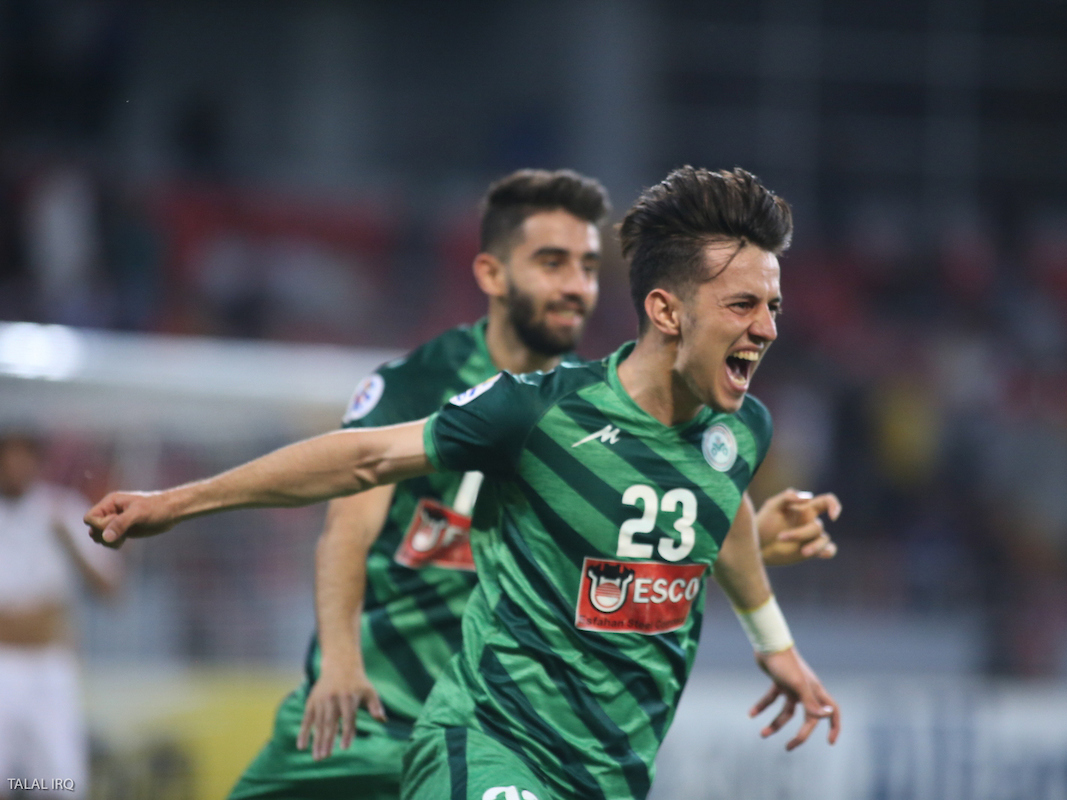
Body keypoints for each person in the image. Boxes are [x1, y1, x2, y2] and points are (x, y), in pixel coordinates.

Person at [85, 166, 842, 800]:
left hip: (609, 777)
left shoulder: (741, 432)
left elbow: (726, 516)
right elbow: (362, 460)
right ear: (665, 310)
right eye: (742, 304)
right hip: (488, 749)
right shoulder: (539, 410)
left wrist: (772, 641)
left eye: (772, 306)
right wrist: (176, 503)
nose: (768, 327)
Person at [0, 430, 121, 800]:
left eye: (23, 457)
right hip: (3, 662)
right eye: (8, 457)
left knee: (58, 782)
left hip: (50, 665)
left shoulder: (63, 511)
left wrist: (68, 543)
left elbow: (110, 589)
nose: (15, 467)